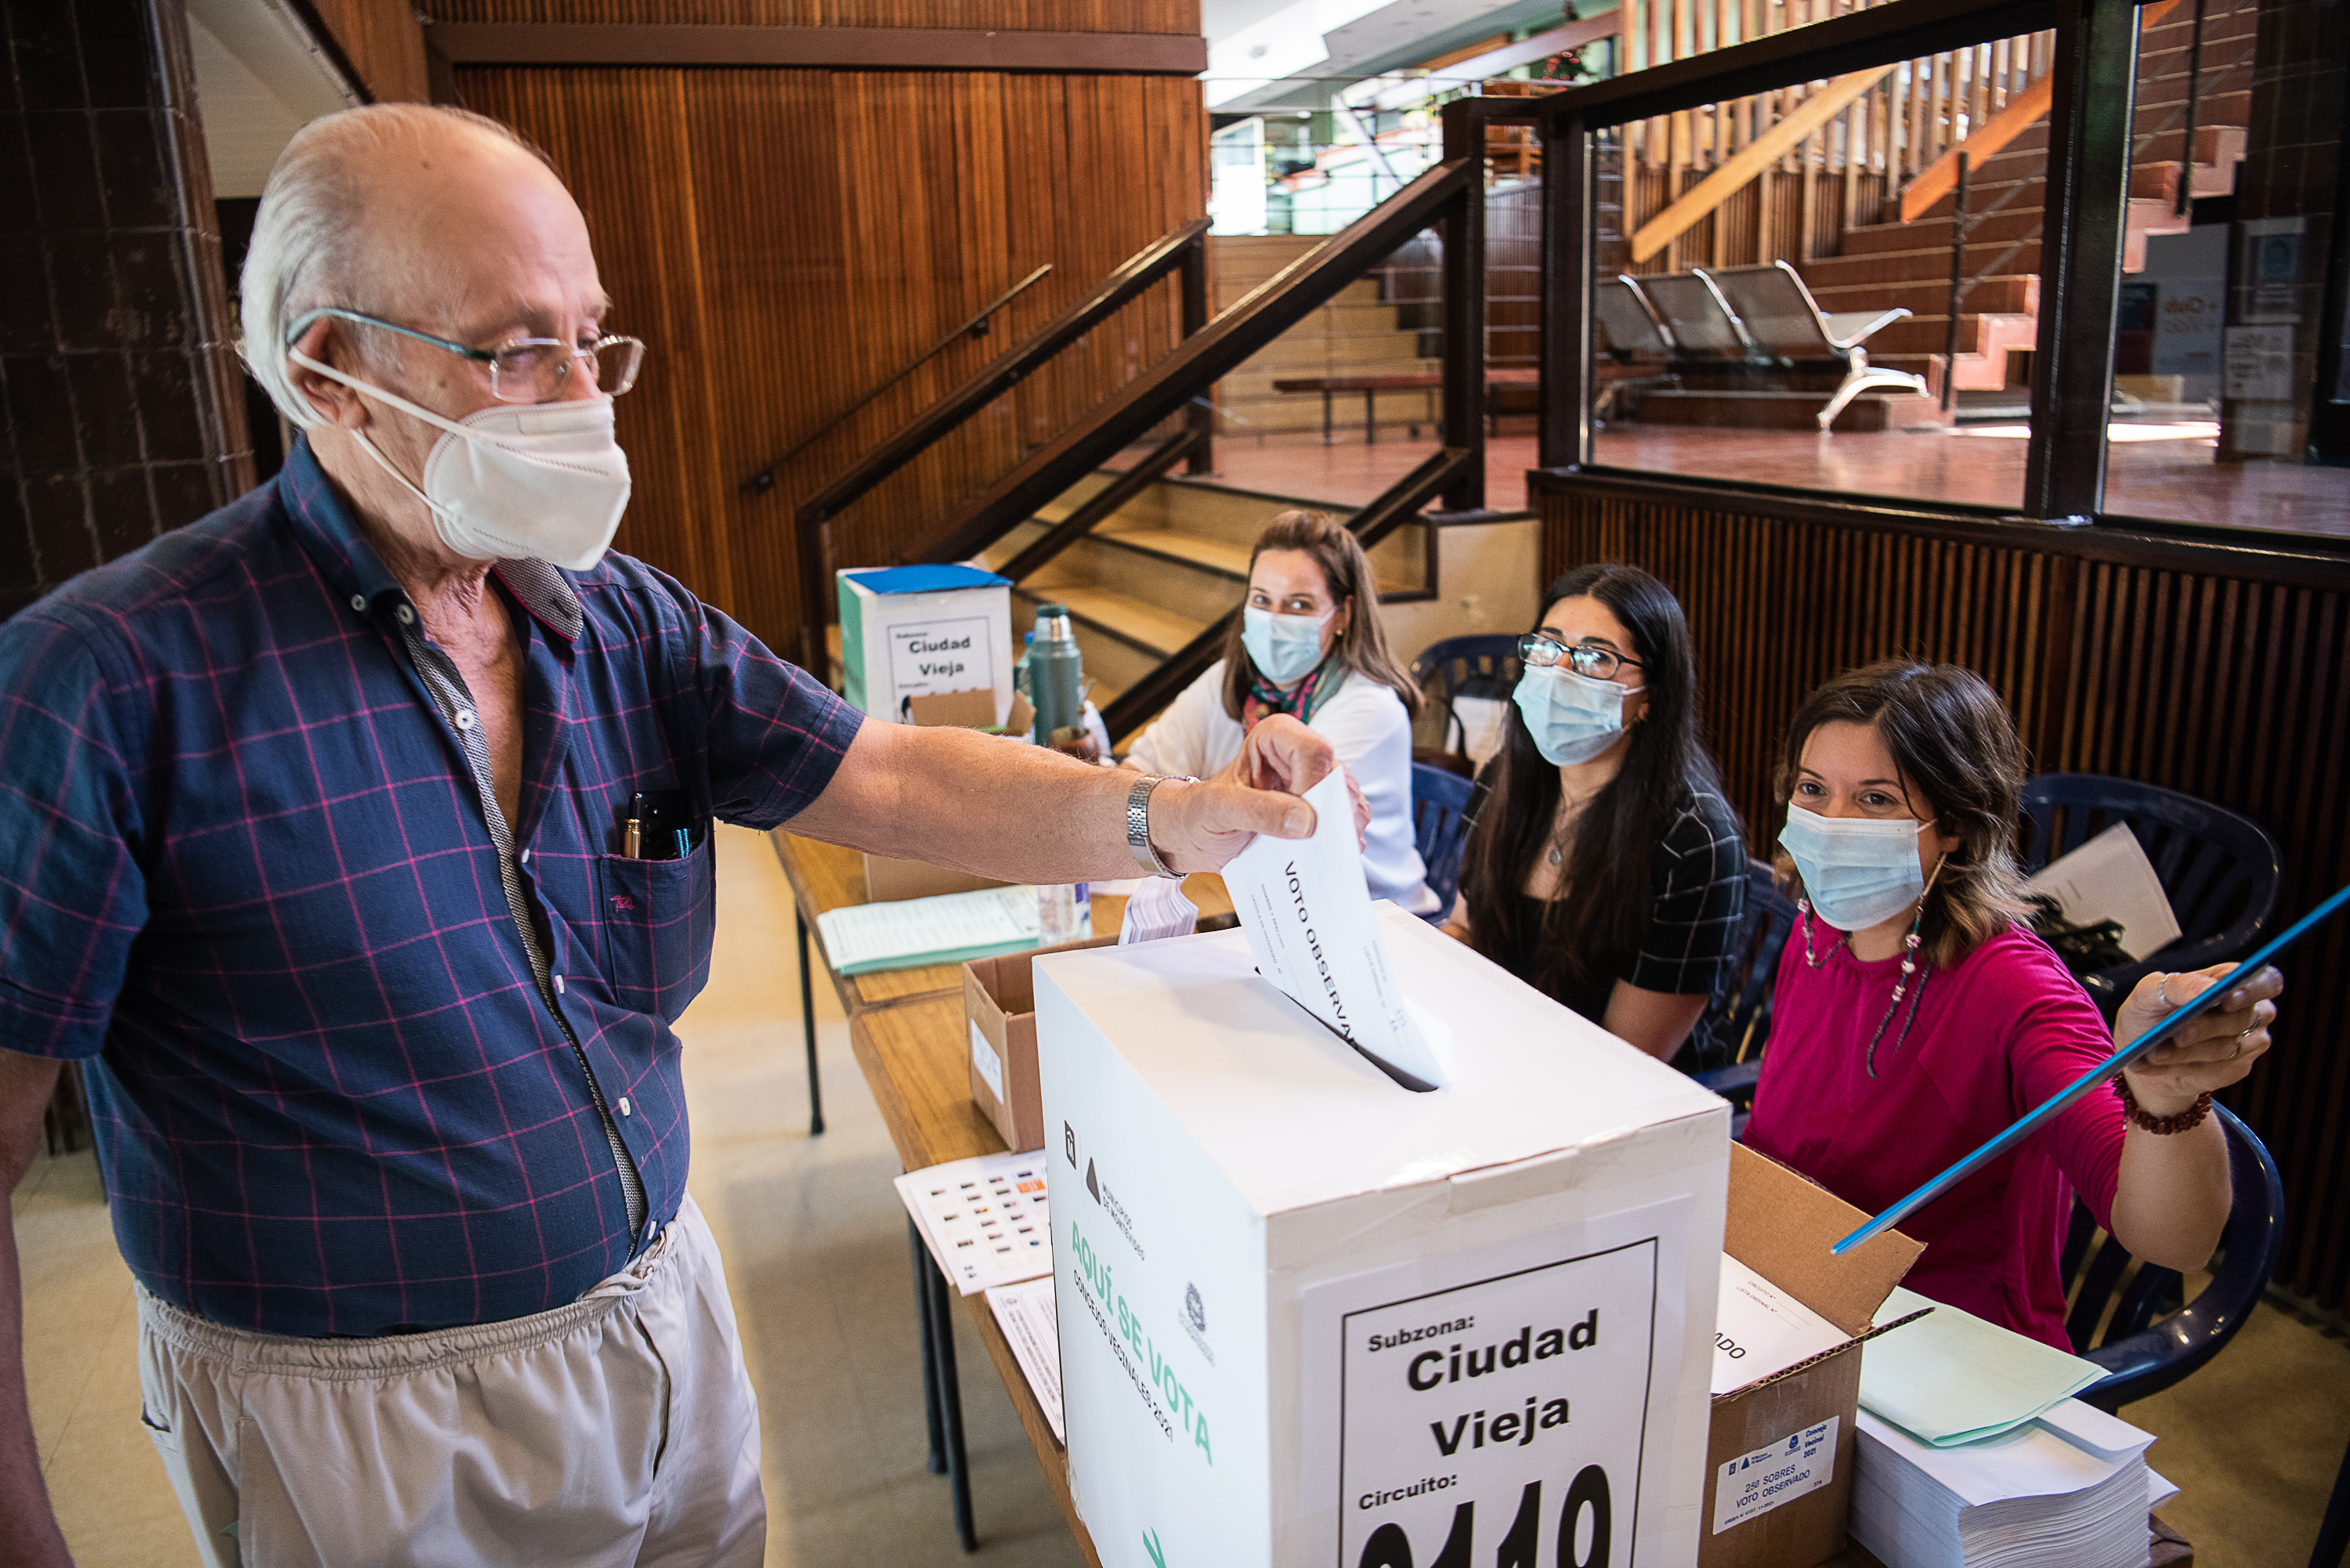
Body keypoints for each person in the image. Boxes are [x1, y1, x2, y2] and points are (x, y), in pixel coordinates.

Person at [0, 105, 1339, 1568]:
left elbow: (887, 776)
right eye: (520, 346)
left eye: (595, 338)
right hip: (362, 1411)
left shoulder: (615, 619)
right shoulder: (109, 683)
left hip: (655, 1308)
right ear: (334, 372)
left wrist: (1159, 818)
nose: (584, 394)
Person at [1743, 660, 2282, 1349]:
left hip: (1940, 1350)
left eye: (1875, 800)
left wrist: (2166, 1096)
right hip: (1787, 1299)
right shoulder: (1818, 930)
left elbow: (2175, 1242)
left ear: (1958, 825)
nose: (1831, 823)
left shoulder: (2016, 990)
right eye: (1814, 790)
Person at [1447, 565, 1745, 1061]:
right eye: (1548, 646)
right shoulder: (1506, 777)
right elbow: (1469, 923)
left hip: (1612, 1095)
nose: (1560, 673)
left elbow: (1630, 1056)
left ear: (1650, 695)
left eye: (1595, 658)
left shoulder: (1694, 840)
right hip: (1494, 1054)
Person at [1122, 508, 1436, 913]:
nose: (1274, 620)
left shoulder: (1371, 709)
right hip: (1263, 909)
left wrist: (1181, 811)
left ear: (1342, 615)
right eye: (1261, 600)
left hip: (1379, 923)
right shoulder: (1228, 681)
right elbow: (1140, 775)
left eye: (1299, 605)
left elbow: (1282, 841)